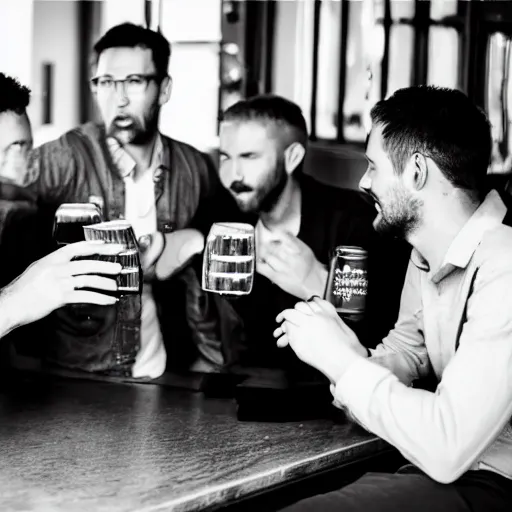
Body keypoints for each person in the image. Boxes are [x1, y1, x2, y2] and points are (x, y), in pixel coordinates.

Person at [274, 86, 512, 510]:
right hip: (441, 472)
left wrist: (342, 363)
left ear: (417, 170)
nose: (364, 182)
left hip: (497, 483)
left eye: (373, 166)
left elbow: (447, 447)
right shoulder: (426, 253)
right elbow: (408, 351)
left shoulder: (504, 266)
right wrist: (342, 351)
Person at [0, 24, 237, 379]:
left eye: (134, 81)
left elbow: (234, 240)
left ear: (164, 89)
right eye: (106, 82)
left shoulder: (194, 167)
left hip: (169, 370)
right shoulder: (64, 156)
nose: (119, 98)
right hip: (78, 373)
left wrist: (189, 240)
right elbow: (7, 198)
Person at [218, 95, 410, 375]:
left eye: (249, 157)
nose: (233, 174)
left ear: (292, 157)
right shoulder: (224, 219)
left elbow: (393, 346)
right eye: (225, 157)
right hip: (240, 401)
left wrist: (320, 284)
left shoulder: (359, 223)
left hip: (336, 405)